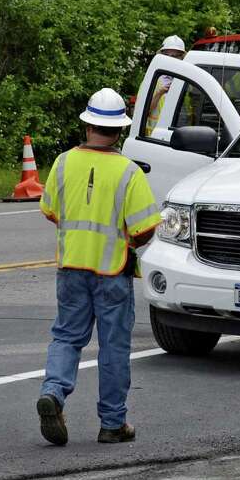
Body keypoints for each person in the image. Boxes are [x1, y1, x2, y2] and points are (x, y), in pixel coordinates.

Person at [36, 88, 161, 447]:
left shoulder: (62, 162)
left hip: (71, 267)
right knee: (113, 348)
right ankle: (112, 423)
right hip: (112, 273)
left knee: (66, 336)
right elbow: (144, 228)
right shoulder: (129, 172)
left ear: (87, 123)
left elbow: (50, 211)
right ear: (119, 130)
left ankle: (54, 392)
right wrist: (128, 243)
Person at [144, 34, 186, 135]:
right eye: (167, 55)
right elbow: (143, 112)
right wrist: (159, 93)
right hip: (154, 137)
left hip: (178, 135)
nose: (170, 59)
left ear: (181, 57)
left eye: (175, 56)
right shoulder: (153, 79)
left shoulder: (185, 79)